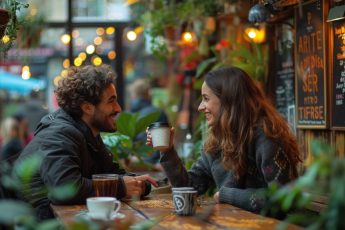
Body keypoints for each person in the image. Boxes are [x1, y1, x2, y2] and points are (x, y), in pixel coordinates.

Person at [146, 66, 301, 213]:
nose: (200, 107)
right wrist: (167, 151)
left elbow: (284, 199)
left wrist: (227, 195)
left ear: (228, 100)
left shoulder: (267, 137)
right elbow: (189, 187)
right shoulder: (218, 140)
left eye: (206, 99)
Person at [15, 65, 157, 221]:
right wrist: (122, 187)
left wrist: (138, 183)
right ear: (88, 107)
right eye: (111, 101)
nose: (118, 108)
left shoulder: (87, 133)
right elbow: (65, 188)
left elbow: (110, 171)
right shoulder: (58, 134)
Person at [128, 78, 169, 167]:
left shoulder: (125, 116)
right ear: (148, 93)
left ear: (133, 95)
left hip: (131, 164)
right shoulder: (157, 112)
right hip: (152, 164)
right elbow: (163, 143)